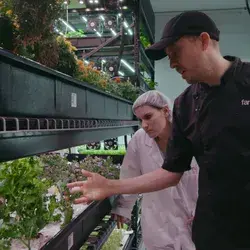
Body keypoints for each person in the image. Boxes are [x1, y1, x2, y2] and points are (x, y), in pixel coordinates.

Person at [67, 11, 250, 250]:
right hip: (212, 234)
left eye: (175, 53)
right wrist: (112, 186)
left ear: (204, 41)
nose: (172, 63)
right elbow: (171, 172)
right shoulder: (186, 104)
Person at [111, 90, 198, 250]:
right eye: (140, 120)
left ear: (165, 111)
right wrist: (123, 207)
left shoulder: (191, 135)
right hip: (159, 221)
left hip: (196, 220)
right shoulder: (139, 139)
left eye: (148, 117)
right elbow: (130, 174)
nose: (144, 125)